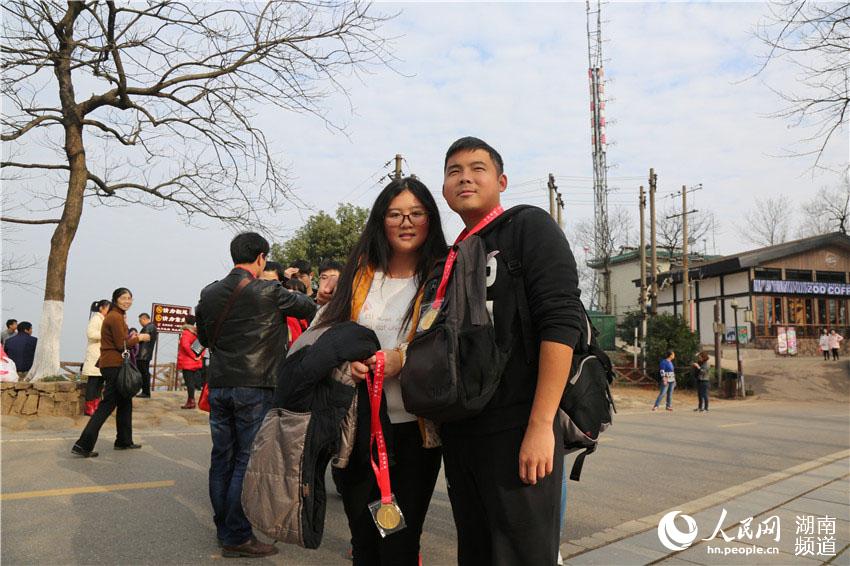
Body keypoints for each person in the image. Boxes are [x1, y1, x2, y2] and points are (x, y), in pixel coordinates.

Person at [435, 137, 585, 566]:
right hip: (462, 431)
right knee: (477, 552)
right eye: (454, 171)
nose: (465, 178)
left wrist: (540, 425)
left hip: (517, 424)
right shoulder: (452, 255)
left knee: (522, 555)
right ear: (445, 189)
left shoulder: (528, 227)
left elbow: (561, 321)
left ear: (501, 181)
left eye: (477, 168)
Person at [317, 177, 447, 566]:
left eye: (416, 213)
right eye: (395, 214)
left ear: (430, 219)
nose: (406, 222)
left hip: (414, 432)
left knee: (399, 541)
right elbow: (324, 336)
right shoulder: (359, 276)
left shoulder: (443, 277)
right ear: (381, 220)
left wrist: (402, 359)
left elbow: (448, 342)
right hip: (357, 429)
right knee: (363, 539)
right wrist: (346, 362)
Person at [195, 232, 316, 558]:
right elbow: (309, 307)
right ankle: (237, 535)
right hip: (256, 385)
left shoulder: (209, 293)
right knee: (246, 460)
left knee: (222, 458)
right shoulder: (269, 291)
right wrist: (290, 282)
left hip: (219, 384)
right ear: (262, 258)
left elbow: (204, 338)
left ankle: (225, 530)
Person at [71, 288, 151, 458]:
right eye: (124, 298)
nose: (127, 301)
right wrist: (139, 338)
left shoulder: (117, 315)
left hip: (113, 364)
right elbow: (121, 344)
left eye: (130, 298)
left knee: (125, 402)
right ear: (115, 299)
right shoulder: (115, 317)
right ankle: (83, 444)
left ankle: (124, 440)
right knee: (107, 404)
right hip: (114, 365)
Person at [82, 300, 111, 416]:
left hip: (103, 355)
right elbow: (90, 334)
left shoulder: (105, 320)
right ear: (101, 308)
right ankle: (89, 407)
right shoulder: (95, 319)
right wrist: (106, 334)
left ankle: (96, 405)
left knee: (100, 382)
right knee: (93, 382)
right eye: (108, 308)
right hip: (95, 354)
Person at [177, 315, 204, 409]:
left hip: (187, 362)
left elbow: (185, 346)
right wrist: (199, 356)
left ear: (185, 321)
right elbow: (203, 344)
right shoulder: (197, 332)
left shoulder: (186, 332)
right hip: (196, 361)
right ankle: (191, 401)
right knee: (192, 382)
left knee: (189, 383)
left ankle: (191, 401)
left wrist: (193, 356)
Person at [136, 313, 158, 397]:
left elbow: (143, 338)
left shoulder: (149, 327)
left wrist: (137, 336)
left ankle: (145, 392)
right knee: (144, 373)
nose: (140, 323)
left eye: (140, 321)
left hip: (143, 354)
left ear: (144, 319)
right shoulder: (151, 327)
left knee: (144, 374)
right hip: (145, 354)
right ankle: (145, 391)